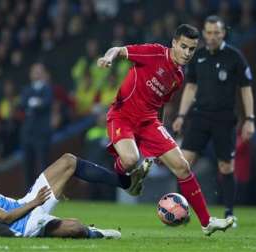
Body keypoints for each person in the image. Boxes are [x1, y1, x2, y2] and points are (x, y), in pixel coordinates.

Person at [96, 24, 234, 235]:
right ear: (174, 43)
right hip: (122, 115)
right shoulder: (153, 52)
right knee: (131, 159)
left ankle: (207, 223)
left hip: (150, 122)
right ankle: (127, 180)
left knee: (183, 167)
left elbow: (159, 104)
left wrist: (159, 142)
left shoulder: (178, 77)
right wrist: (108, 58)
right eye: (184, 47)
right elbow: (119, 50)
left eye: (192, 49)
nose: (187, 53)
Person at [172, 16, 255, 226]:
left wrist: (250, 119)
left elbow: (246, 89)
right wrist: (181, 115)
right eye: (208, 33)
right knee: (182, 164)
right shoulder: (197, 56)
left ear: (223, 33)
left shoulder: (235, 57)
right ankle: (179, 210)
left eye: (216, 33)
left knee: (226, 167)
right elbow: (190, 88)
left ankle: (229, 213)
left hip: (225, 119)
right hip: (200, 116)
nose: (211, 37)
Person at [0, 143, 123, 238]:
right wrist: (35, 203)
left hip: (25, 203)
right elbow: (6, 218)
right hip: (27, 226)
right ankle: (95, 233)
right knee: (76, 228)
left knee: (68, 161)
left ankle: (125, 182)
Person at [20, 63, 53, 189]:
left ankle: (45, 193)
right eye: (35, 71)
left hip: (42, 133)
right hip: (28, 133)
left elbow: (46, 103)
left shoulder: (47, 89)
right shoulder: (26, 89)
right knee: (28, 165)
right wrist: (35, 103)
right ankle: (29, 194)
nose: (37, 74)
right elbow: (22, 104)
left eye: (39, 71)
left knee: (43, 165)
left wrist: (32, 103)